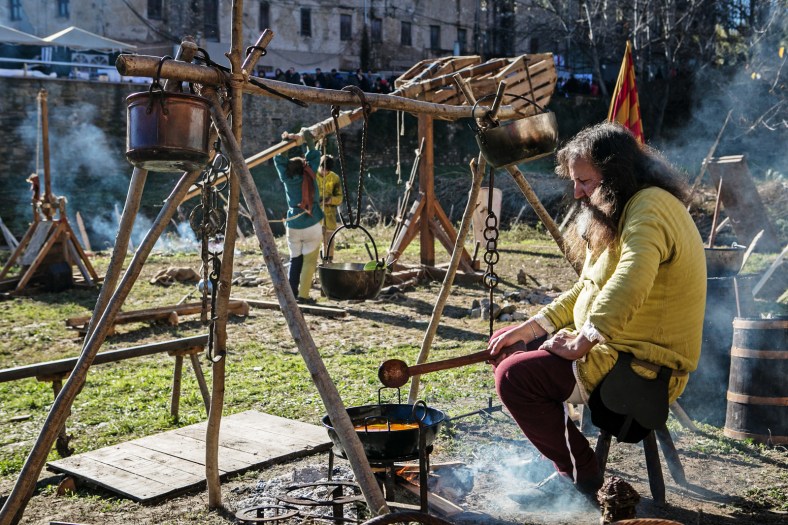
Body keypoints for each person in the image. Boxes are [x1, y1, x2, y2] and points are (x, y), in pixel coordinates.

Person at [486, 122, 706, 507]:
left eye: (586, 182)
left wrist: (583, 340)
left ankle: (581, 473)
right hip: (613, 350)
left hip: (639, 366)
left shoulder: (650, 208)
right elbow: (587, 288)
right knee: (507, 345)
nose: (577, 192)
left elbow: (631, 279)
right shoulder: (624, 210)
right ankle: (566, 462)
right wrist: (531, 328)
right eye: (575, 181)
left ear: (616, 174)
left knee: (514, 377)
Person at [274, 129, 324, 304]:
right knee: (309, 262)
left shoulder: (286, 178)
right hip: (312, 223)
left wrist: (285, 142)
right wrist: (308, 139)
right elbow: (314, 156)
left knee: (295, 260)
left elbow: (279, 160)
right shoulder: (309, 174)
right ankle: (303, 296)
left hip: (293, 225)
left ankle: (291, 293)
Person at [316, 154, 343, 262]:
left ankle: (328, 263)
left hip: (329, 217)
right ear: (319, 166)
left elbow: (339, 198)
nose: (324, 172)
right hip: (314, 217)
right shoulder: (312, 176)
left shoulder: (335, 178)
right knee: (313, 244)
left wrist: (330, 200)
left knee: (329, 244)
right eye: (323, 170)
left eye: (327, 171)